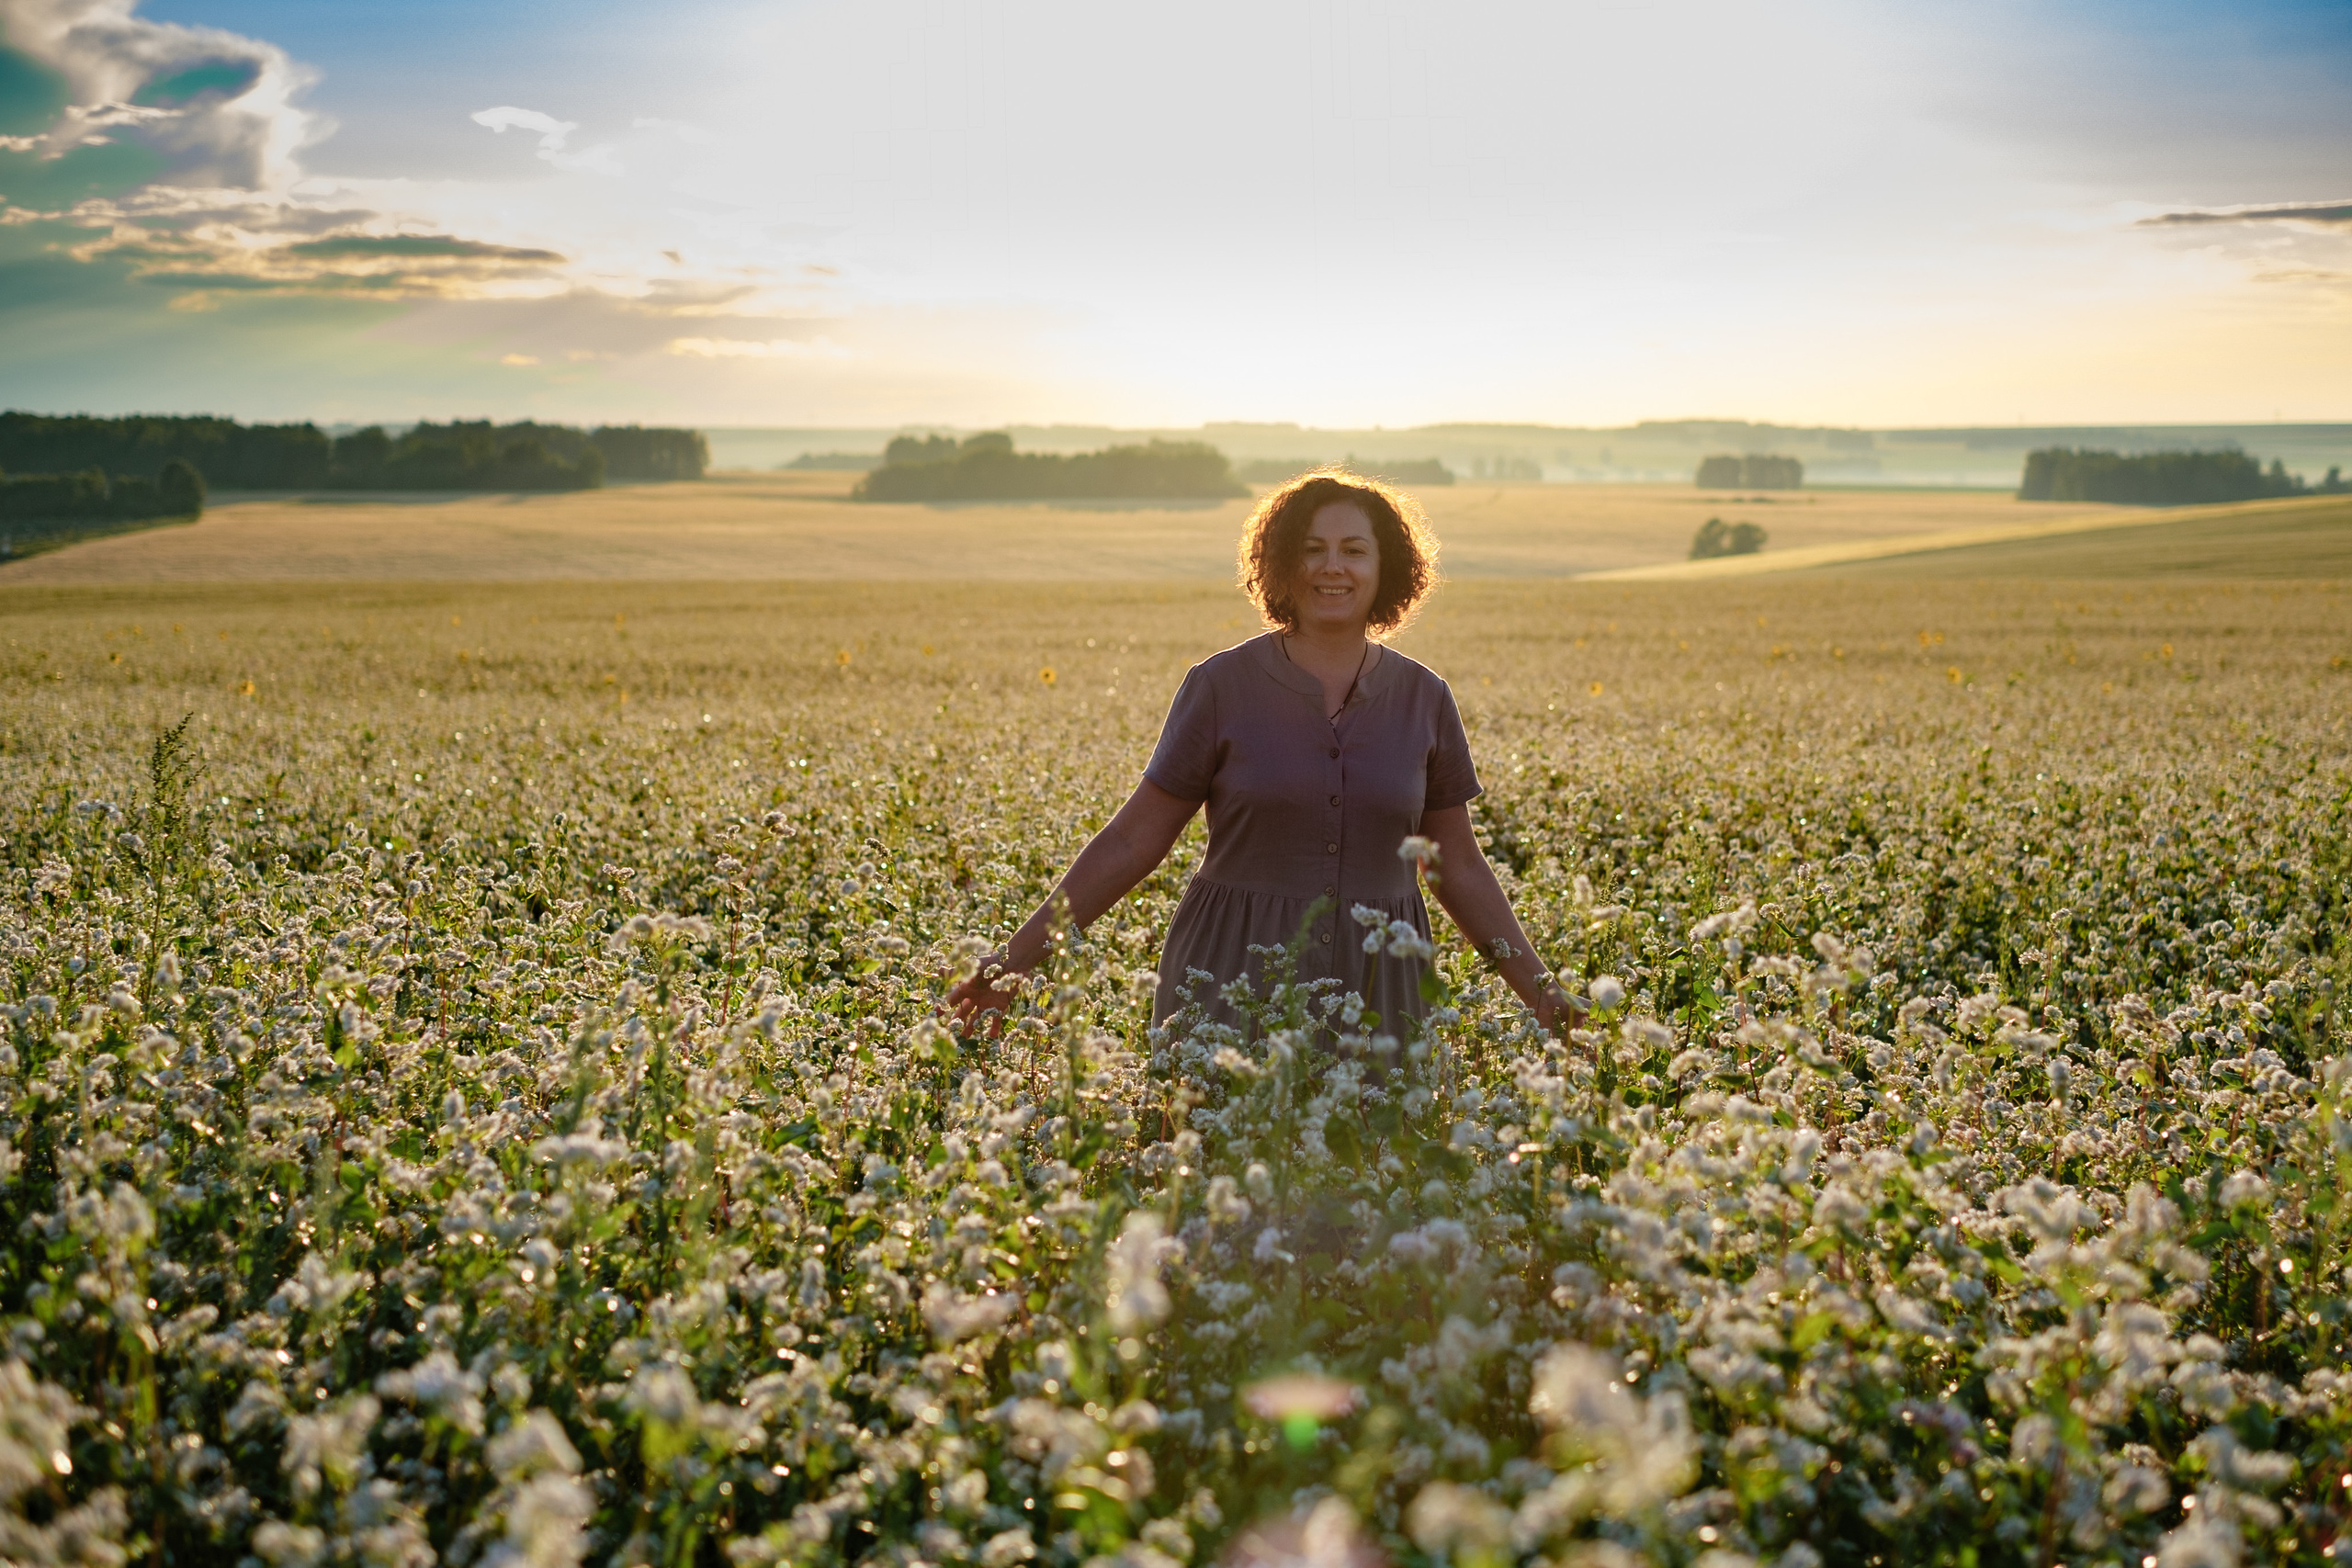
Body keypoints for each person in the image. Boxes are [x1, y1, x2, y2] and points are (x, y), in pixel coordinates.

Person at [945, 469, 1577, 1037]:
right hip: (1228, 980)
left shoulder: (1425, 697)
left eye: (1354, 550)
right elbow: (1132, 841)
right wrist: (1011, 964)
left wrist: (1543, 995)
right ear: (1280, 566)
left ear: (1387, 568)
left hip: (1382, 994)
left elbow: (1457, 868)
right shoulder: (1220, 686)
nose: (1334, 567)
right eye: (1312, 550)